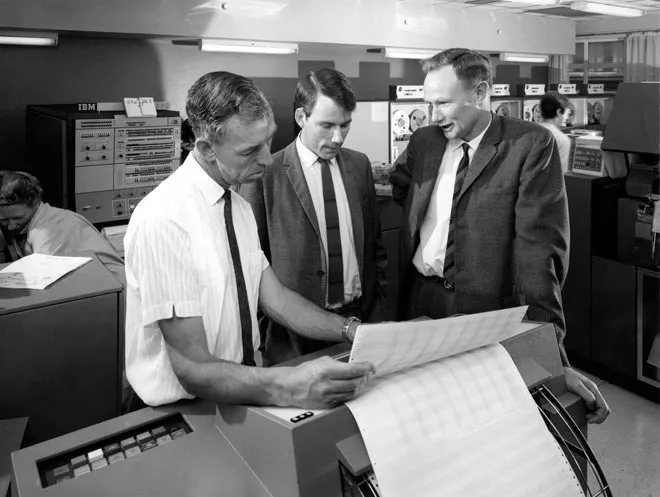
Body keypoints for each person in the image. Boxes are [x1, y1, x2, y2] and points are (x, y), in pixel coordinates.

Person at [123, 71, 374, 409]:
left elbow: (277, 300)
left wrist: (351, 331)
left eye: (268, 141)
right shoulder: (165, 219)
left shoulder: (237, 207)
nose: (267, 159)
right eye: (250, 150)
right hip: (185, 408)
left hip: (243, 390)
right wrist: (289, 386)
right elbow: (191, 366)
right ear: (207, 149)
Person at [389, 48, 610, 424]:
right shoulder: (425, 142)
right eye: (428, 103)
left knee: (478, 420)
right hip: (420, 303)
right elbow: (401, 187)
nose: (433, 114)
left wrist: (552, 355)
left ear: (480, 94)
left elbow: (539, 259)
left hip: (483, 311)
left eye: (443, 103)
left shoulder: (529, 145)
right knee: (424, 417)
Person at [239, 68, 387, 365]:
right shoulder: (264, 175)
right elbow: (251, 268)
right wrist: (266, 333)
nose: (337, 137)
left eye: (345, 125)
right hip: (292, 335)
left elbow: (374, 248)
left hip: (358, 321)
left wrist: (377, 313)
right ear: (301, 118)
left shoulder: (358, 166)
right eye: (326, 125)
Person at [0, 170, 125, 286]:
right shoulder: (34, 221)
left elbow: (46, 286)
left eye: (18, 218)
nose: (10, 226)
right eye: (4, 220)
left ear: (35, 203)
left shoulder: (50, 230)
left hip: (114, 290)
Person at [539, 91, 572, 172]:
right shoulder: (562, 140)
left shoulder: (528, 132)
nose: (567, 118)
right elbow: (560, 175)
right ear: (559, 112)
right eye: (567, 114)